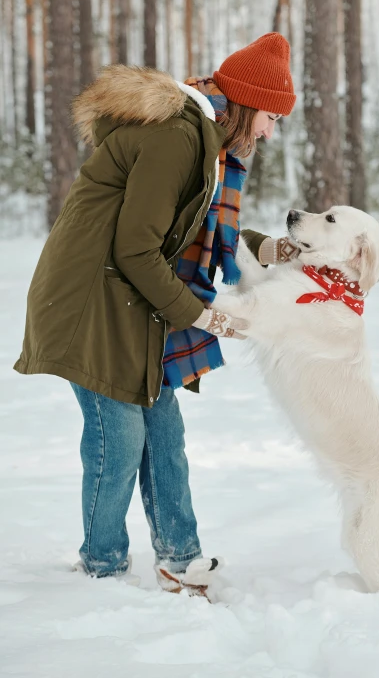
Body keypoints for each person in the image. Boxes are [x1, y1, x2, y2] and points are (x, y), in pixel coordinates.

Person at [14, 33, 299, 598]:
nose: (269, 132)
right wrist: (205, 316)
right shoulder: (175, 136)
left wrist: (265, 249)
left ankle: (181, 557)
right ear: (243, 105)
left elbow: (194, 225)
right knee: (117, 437)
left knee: (163, 437)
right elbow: (136, 250)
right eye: (269, 117)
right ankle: (101, 569)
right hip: (92, 301)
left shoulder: (204, 140)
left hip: (133, 302)